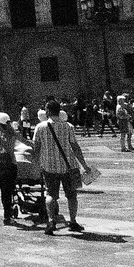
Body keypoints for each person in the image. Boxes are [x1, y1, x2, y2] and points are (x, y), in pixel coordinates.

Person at [32, 100, 93, 235]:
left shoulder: (40, 127)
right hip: (69, 167)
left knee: (51, 195)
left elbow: (36, 148)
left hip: (49, 167)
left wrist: (36, 165)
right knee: (72, 196)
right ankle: (73, 221)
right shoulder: (68, 126)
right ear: (59, 111)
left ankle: (51, 222)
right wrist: (84, 165)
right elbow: (75, 147)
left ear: (47, 111)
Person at [0, 112, 25, 225]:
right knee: (9, 190)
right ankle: (7, 215)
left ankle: (7, 215)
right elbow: (26, 142)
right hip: (11, 164)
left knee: (4, 191)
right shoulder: (14, 134)